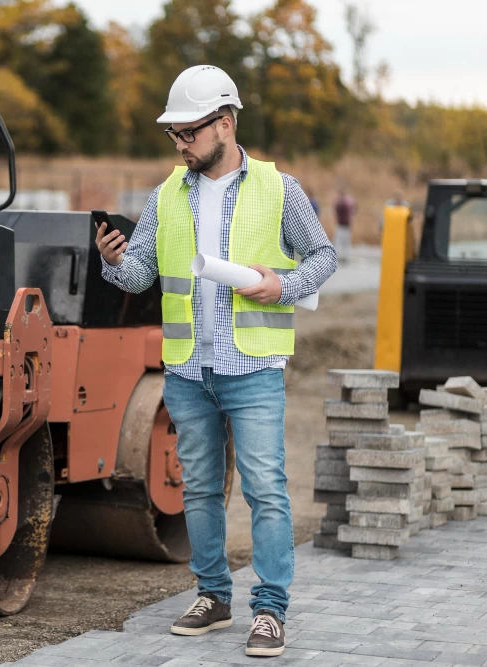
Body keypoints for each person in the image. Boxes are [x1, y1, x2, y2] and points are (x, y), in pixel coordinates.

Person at [94, 65, 337, 658]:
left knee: (267, 491)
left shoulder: (280, 189)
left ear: (224, 124)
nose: (179, 145)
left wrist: (281, 286)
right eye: (173, 135)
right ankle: (213, 595)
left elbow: (323, 257)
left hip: (253, 366)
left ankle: (271, 610)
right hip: (188, 370)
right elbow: (140, 275)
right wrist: (111, 259)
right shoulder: (164, 197)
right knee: (199, 490)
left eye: (188, 133)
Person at [334, 189, 356, 263]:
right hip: (344, 225)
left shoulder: (344, 204)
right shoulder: (348, 203)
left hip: (343, 226)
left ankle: (344, 257)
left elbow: (337, 208)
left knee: (342, 242)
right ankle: (344, 257)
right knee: (342, 242)